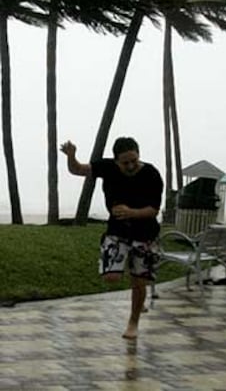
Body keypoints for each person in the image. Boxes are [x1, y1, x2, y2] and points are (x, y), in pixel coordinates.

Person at [60, 137, 163, 339]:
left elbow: (153, 210)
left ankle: (133, 322)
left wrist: (131, 212)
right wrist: (71, 156)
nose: (131, 165)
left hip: (145, 234)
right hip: (117, 231)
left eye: (134, 160)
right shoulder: (107, 167)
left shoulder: (151, 174)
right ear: (116, 160)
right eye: (125, 162)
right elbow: (77, 169)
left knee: (139, 282)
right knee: (111, 277)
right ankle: (120, 260)